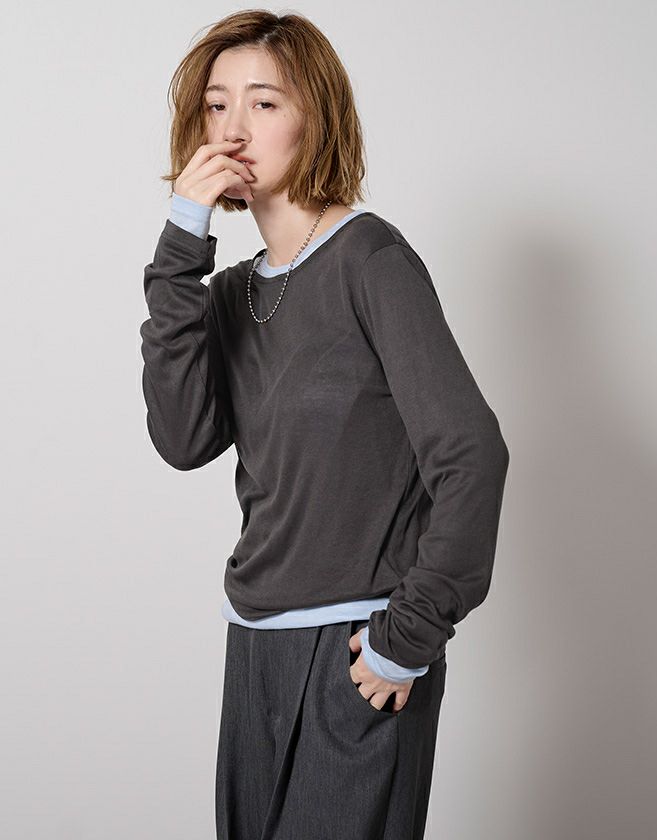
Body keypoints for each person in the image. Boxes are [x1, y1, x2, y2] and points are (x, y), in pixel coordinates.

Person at [139, 10, 510, 840]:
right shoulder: (231, 293)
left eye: (264, 103)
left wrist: (405, 639)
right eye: (216, 105)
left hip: (356, 649)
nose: (233, 129)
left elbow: (471, 453)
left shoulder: (370, 260)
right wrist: (180, 247)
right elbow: (182, 438)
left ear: (317, 118)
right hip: (255, 646)